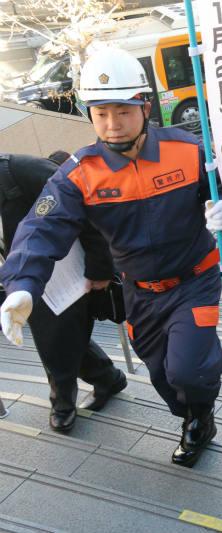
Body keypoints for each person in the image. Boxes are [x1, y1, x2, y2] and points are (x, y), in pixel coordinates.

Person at [0, 47, 222, 467]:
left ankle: (199, 416)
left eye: (123, 111)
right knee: (161, 372)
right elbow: (40, 230)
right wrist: (21, 286)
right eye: (101, 112)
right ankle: (194, 414)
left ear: (144, 106)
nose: (112, 124)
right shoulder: (79, 173)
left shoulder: (188, 150)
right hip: (140, 293)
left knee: (187, 368)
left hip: (194, 280)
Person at [0, 152, 127, 432]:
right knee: (62, 335)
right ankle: (107, 377)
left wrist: (100, 267)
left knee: (53, 339)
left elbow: (88, 207)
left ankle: (63, 403)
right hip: (20, 275)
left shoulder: (19, 170)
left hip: (62, 269)